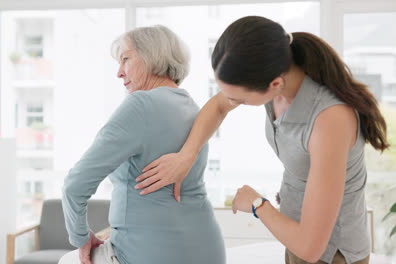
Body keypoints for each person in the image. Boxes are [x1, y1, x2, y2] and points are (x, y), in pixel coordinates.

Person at [135, 16, 389, 264]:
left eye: (240, 99)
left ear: (274, 84)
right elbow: (218, 107)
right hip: (294, 235)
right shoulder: (276, 83)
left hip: (332, 253)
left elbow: (311, 248)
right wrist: (185, 157)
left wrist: (257, 204)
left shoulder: (330, 119)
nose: (232, 101)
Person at [61, 25, 225, 264]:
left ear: (152, 56)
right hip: (207, 249)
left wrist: (80, 237)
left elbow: (75, 185)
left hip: (150, 253)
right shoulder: (191, 107)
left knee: (69, 260)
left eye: (125, 59)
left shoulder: (140, 105)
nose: (119, 72)